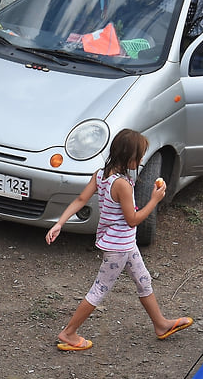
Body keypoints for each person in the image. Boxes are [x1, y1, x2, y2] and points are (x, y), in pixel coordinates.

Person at [45, 129, 193, 351]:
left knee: (143, 279)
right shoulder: (122, 184)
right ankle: (69, 333)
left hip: (123, 243)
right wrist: (154, 200)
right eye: (140, 155)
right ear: (129, 157)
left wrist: (59, 223)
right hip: (118, 246)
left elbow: (81, 199)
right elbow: (133, 220)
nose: (142, 159)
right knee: (99, 289)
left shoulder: (101, 174)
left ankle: (161, 325)